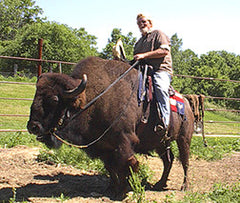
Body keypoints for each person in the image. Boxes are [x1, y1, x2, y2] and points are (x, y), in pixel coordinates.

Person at [133, 13, 173, 133]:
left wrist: (144, 55)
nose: (141, 24)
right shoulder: (138, 43)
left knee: (160, 87)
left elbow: (164, 50)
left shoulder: (158, 34)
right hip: (143, 72)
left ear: (150, 23)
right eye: (139, 23)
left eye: (144, 22)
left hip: (160, 70)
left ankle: (164, 122)